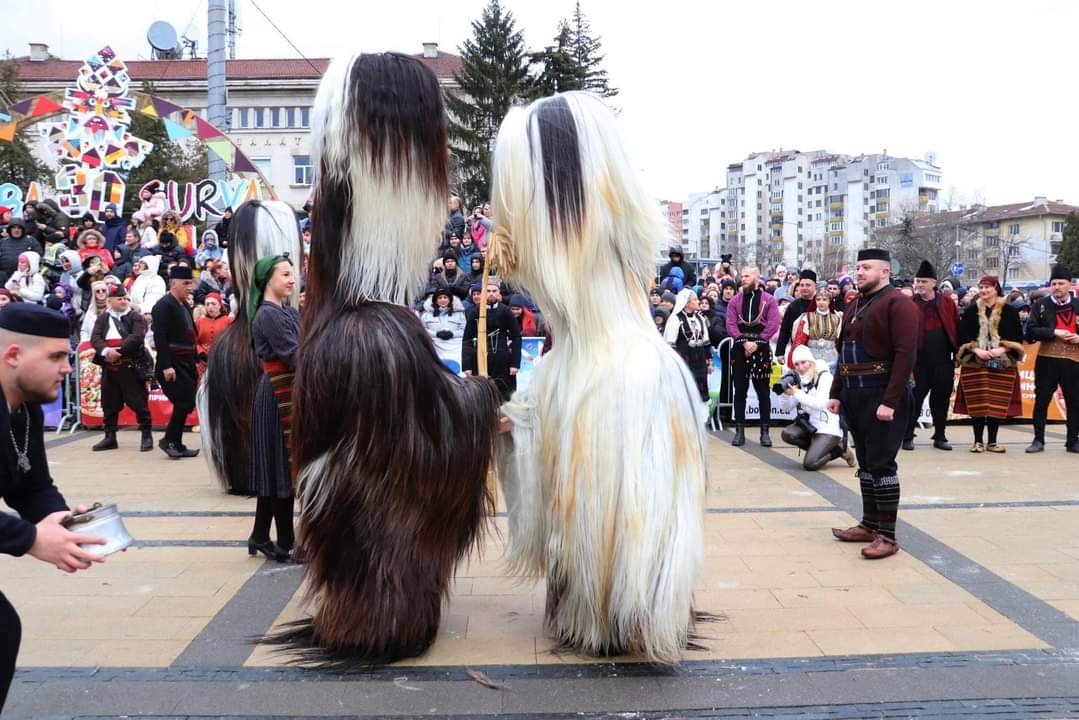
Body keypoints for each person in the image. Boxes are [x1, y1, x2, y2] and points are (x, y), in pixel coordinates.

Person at [285, 52, 502, 663]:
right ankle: (382, 612)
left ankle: (362, 608)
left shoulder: (342, 320)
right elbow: (428, 449)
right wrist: (483, 400)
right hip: (387, 620)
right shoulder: (380, 334)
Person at [490, 91, 707, 664]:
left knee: (614, 515)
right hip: (600, 370)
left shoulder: (577, 243)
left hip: (613, 378)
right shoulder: (601, 239)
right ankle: (611, 611)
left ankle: (620, 612)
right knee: (604, 518)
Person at [0, 304, 107, 713]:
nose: (68, 368)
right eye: (56, 357)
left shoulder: (23, 409)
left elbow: (33, 485)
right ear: (13, 356)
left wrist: (59, 520)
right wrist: (30, 538)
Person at [827, 248, 917, 560]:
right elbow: (844, 355)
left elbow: (905, 355)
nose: (860, 272)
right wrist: (837, 392)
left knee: (881, 465)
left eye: (866, 267)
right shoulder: (855, 304)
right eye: (858, 267)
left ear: (885, 272)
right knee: (866, 463)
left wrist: (890, 401)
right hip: (855, 394)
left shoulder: (899, 304)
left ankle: (888, 536)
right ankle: (869, 524)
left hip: (882, 394)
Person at [246, 255, 300, 562]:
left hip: (289, 388)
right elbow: (293, 355)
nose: (292, 280)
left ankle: (259, 535)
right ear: (268, 279)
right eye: (285, 274)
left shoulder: (288, 311)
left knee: (275, 467)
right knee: (281, 468)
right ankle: (284, 543)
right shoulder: (268, 315)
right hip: (277, 392)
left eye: (292, 274)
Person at [953, 275, 1025, 453]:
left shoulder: (1009, 311)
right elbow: (962, 336)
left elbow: (1017, 337)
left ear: (996, 288)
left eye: (988, 287)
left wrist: (1001, 349)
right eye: (981, 287)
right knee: (977, 402)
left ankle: (992, 441)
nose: (984, 291)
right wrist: (977, 350)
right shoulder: (970, 311)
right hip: (975, 363)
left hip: (1002, 363)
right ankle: (977, 441)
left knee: (996, 403)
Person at [904, 260, 960, 451]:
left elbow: (955, 327)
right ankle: (907, 435)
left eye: (923, 281)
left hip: (943, 360)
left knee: (941, 399)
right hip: (918, 361)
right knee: (915, 399)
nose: (919, 285)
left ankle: (940, 435)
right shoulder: (910, 303)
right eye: (917, 281)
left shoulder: (946, 303)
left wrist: (958, 353)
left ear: (933, 283)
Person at [89, 285, 152, 452]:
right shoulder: (103, 318)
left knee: (138, 402)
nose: (124, 301)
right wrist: (105, 351)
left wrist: (119, 351)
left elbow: (137, 337)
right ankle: (110, 437)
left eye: (125, 298)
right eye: (120, 298)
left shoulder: (136, 317)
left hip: (129, 365)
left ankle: (146, 435)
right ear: (110, 301)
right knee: (109, 403)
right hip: (109, 366)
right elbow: (95, 338)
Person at [1024, 264, 1079, 453]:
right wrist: (1054, 332)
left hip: (1073, 361)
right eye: (1054, 283)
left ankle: (1072, 440)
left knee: (1074, 401)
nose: (1057, 287)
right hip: (1047, 359)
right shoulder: (1041, 305)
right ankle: (1038, 439)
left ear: (1069, 285)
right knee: (1042, 401)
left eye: (1061, 283)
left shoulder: (1078, 305)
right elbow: (1030, 331)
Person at [726, 266, 780, 447]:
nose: (743, 279)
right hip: (740, 349)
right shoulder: (735, 300)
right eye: (742, 276)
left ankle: (765, 432)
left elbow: (773, 324)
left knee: (763, 392)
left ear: (757, 278)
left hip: (761, 349)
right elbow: (731, 324)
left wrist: (757, 343)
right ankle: (739, 432)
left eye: (747, 276)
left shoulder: (769, 300)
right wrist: (744, 342)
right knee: (739, 390)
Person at [779, 345, 854, 470]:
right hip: (811, 427)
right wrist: (785, 394)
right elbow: (786, 408)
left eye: (803, 362)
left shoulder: (825, 377)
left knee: (810, 464)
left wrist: (796, 393)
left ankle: (839, 450)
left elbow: (821, 404)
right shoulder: (799, 380)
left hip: (827, 428)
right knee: (787, 434)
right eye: (796, 364)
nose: (800, 367)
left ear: (811, 362)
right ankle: (821, 448)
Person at [151, 265, 199, 459]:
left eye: (191, 283)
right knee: (183, 401)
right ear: (174, 283)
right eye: (186, 283)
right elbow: (160, 337)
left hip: (186, 361)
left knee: (186, 402)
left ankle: (176, 442)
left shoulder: (183, 304)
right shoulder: (163, 305)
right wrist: (166, 365)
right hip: (173, 363)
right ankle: (169, 441)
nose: (190, 287)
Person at [463, 281, 522, 400]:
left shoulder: (506, 311)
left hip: (502, 357)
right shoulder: (474, 311)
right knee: (480, 396)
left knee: (505, 395)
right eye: (488, 291)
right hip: (479, 356)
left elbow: (516, 338)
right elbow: (467, 339)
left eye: (494, 291)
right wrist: (467, 365)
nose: (491, 294)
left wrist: (515, 363)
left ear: (499, 293)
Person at [664, 287, 713, 408]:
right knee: (683, 395)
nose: (698, 302)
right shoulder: (675, 319)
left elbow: (706, 342)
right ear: (686, 303)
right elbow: (670, 344)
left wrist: (709, 362)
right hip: (684, 363)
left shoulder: (700, 319)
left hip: (700, 363)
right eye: (695, 300)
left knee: (700, 395)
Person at [788, 287, 842, 368]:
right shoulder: (808, 317)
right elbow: (799, 340)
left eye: (824, 299)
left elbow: (840, 340)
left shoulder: (836, 318)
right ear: (815, 301)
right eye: (818, 299)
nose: (821, 302)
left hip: (832, 357)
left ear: (829, 301)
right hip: (812, 356)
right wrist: (795, 360)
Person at [776, 269, 819, 363]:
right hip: (798, 352)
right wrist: (780, 352)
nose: (804, 288)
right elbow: (785, 330)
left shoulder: (821, 303)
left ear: (815, 286)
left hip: (818, 353)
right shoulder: (793, 306)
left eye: (808, 285)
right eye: (802, 285)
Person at [421, 287, 466, 368]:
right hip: (435, 348)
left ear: (450, 300)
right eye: (440, 298)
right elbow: (422, 329)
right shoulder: (426, 314)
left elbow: (464, 330)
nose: (442, 300)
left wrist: (452, 334)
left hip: (455, 348)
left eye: (445, 297)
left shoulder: (459, 314)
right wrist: (436, 334)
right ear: (435, 300)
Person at [195, 292, 232, 379]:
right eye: (207, 304)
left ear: (220, 305)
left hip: (222, 361)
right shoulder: (199, 322)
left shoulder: (229, 321)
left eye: (213, 304)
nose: (210, 307)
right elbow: (194, 341)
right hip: (202, 362)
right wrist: (201, 353)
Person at [0, 220, 43, 288]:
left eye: (19, 228)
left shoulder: (31, 240)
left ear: (23, 229)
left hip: (24, 277)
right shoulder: (3, 241)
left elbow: (39, 257)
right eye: (13, 228)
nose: (16, 230)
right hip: (4, 277)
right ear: (9, 229)